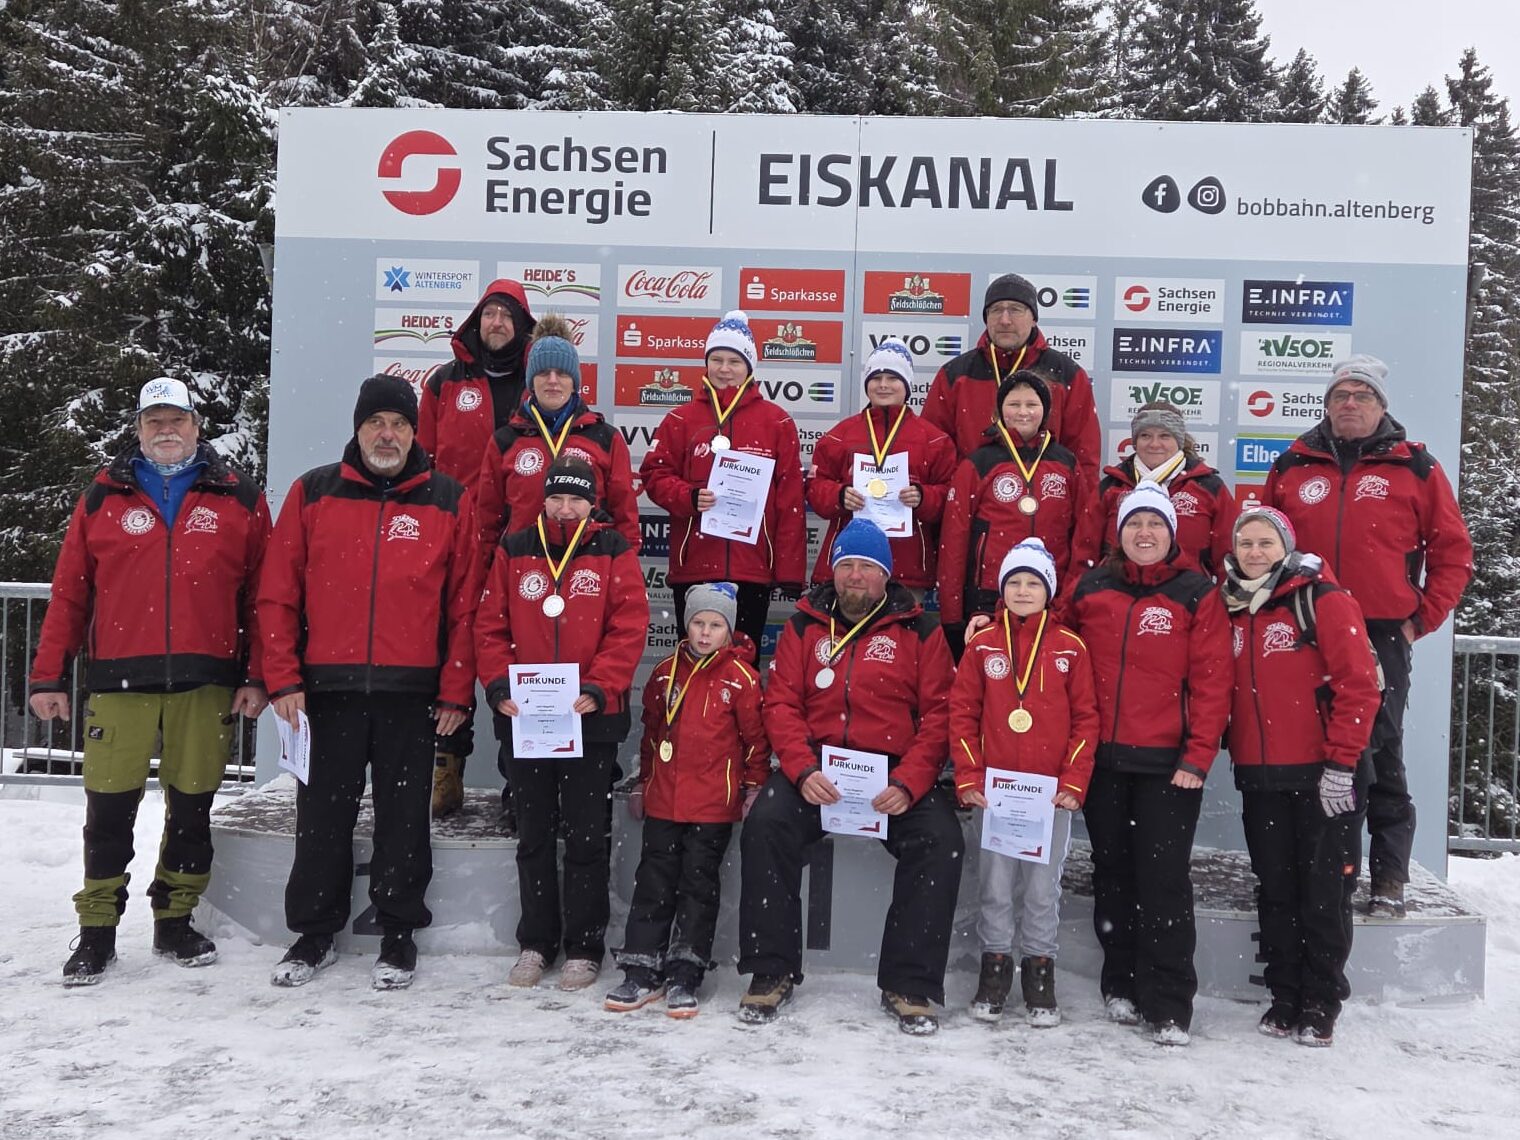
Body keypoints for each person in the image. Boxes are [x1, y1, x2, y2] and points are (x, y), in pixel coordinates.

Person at [29, 377, 270, 985]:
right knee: (108, 811)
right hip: (120, 681)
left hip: (206, 680)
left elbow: (262, 598)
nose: (167, 430)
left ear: (196, 426)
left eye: (177, 420)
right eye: (154, 420)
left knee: (193, 808)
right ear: (138, 429)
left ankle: (175, 919)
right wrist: (48, 675)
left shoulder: (238, 497)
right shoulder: (102, 497)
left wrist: (258, 674)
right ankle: (97, 930)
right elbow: (70, 593)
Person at [259, 375, 479, 990]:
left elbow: (465, 604)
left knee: (404, 818)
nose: (387, 435)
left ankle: (399, 931)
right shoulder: (314, 491)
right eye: (376, 423)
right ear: (357, 429)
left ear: (414, 432)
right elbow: (277, 593)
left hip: (412, 694)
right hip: (326, 692)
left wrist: (456, 688)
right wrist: (283, 678)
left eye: (399, 424)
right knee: (321, 817)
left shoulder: (448, 498)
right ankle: (313, 933)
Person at [1263, 355, 1473, 917]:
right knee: (1311, 748)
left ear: (1381, 406)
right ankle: (1331, 871)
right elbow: (1261, 543)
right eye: (1340, 395)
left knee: (1378, 748)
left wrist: (1420, 619)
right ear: (1327, 406)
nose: (1350, 404)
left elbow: (1453, 552)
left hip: (1380, 632)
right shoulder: (1293, 463)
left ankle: (1389, 875)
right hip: (1302, 626)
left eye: (1362, 395)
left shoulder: (1416, 466)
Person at [737, 520, 961, 1035]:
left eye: (866, 566)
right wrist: (801, 768)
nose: (854, 576)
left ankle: (908, 982)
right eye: (846, 565)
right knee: (766, 824)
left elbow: (940, 715)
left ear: (886, 574)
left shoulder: (920, 630)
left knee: (941, 841)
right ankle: (771, 970)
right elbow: (781, 704)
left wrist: (909, 782)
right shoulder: (804, 626)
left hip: (892, 776)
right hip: (819, 771)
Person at [475, 456, 648, 992]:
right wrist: (498, 686)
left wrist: (600, 686)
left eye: (576, 500)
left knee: (585, 837)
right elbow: (490, 624)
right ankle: (536, 942)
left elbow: (628, 625)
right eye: (557, 498)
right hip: (526, 718)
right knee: (533, 835)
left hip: (590, 718)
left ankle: (584, 946)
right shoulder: (515, 548)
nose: (566, 509)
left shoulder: (613, 549)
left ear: (592, 504)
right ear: (544, 500)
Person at [1068, 481, 1231, 1045]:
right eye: (1134, 523)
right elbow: (1045, 635)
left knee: (1163, 881)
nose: (1144, 533)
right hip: (1102, 761)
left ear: (1172, 532)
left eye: (1156, 523)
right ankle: (1120, 982)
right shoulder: (1091, 587)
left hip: (1168, 765)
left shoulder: (1196, 593)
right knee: (1112, 874)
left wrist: (1198, 756)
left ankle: (1168, 1003)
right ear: (1119, 533)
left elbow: (1213, 682)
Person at [1222, 508, 1381, 1048]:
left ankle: (1321, 1001)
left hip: (1323, 775)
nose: (1254, 552)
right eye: (1246, 542)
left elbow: (1359, 686)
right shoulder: (1230, 606)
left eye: (1265, 542)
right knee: (1277, 890)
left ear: (1285, 547)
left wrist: (1342, 763)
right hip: (1260, 774)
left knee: (1324, 892)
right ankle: (1285, 994)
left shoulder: (1321, 600)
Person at [950, 538, 1098, 1027]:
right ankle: (994, 970)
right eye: (1014, 581)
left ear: (1049, 591)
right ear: (1002, 589)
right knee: (994, 886)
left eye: (1033, 582)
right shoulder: (982, 645)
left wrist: (1073, 780)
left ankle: (1039, 972)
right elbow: (962, 713)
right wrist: (969, 775)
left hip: (1049, 796)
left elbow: (1086, 719)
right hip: (993, 794)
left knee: (1041, 889)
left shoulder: (1071, 647)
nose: (1023, 590)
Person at [606, 582, 769, 1018]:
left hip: (713, 804)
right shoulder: (664, 673)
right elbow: (651, 734)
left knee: (698, 886)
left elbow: (756, 742)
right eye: (698, 623)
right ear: (686, 624)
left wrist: (754, 787)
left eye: (715, 625)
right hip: (664, 799)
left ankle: (685, 970)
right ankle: (641, 967)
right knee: (653, 882)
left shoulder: (743, 679)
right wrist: (643, 783)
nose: (705, 633)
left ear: (729, 630)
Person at [418, 279, 536, 822]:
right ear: (476, 321)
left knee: (521, 654)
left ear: (522, 326)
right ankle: (445, 766)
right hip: (458, 536)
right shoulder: (444, 383)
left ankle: (520, 779)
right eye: (490, 313)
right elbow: (421, 461)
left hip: (523, 544)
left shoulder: (543, 381)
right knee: (451, 648)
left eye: (507, 315)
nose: (497, 323)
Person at [640, 309, 807, 651]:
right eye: (716, 359)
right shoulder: (680, 420)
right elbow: (654, 475)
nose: (725, 369)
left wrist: (790, 571)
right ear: (706, 363)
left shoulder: (776, 422)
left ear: (750, 367)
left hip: (752, 568)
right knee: (693, 661)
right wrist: (688, 497)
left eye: (734, 361)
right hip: (695, 565)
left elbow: (790, 500)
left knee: (742, 663)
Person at [938, 369, 1100, 641]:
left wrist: (1072, 596)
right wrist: (952, 616)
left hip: (1052, 593)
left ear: (1045, 411)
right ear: (1000, 411)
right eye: (1014, 404)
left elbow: (1084, 536)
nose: (1023, 412)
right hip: (989, 597)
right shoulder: (980, 462)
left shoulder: (1065, 463)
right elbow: (954, 539)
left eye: (1031, 404)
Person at [475, 313, 639, 558]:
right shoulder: (506, 440)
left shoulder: (605, 438)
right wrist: (490, 569)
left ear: (574, 382)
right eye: (544, 373)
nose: (553, 381)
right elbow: (487, 522)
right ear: (531, 381)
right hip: (521, 565)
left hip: (590, 567)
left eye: (562, 373)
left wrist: (625, 568)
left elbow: (625, 519)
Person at [806, 338, 956, 601]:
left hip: (906, 567)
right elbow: (815, 488)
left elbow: (951, 496)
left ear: (907, 385)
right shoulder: (840, 435)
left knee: (900, 629)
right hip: (849, 563)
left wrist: (923, 497)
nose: (883, 385)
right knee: (845, 626)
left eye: (893, 378)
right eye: (876, 378)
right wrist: (839, 495)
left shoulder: (934, 440)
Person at [923, 273, 1100, 475]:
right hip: (974, 493)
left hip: (1046, 493)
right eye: (996, 310)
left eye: (1015, 310)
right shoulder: (955, 374)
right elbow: (934, 452)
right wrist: (963, 487)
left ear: (1033, 319)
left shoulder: (1067, 374)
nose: (1005, 320)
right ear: (986, 318)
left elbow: (1084, 458)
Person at [1099, 401, 1237, 579]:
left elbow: (1229, 557)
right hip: (1118, 592)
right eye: (1145, 435)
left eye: (1164, 436)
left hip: (1188, 593)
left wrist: (1218, 596)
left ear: (1179, 441)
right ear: (1135, 442)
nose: (1154, 444)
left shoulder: (1208, 488)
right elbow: (1084, 553)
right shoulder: (1112, 487)